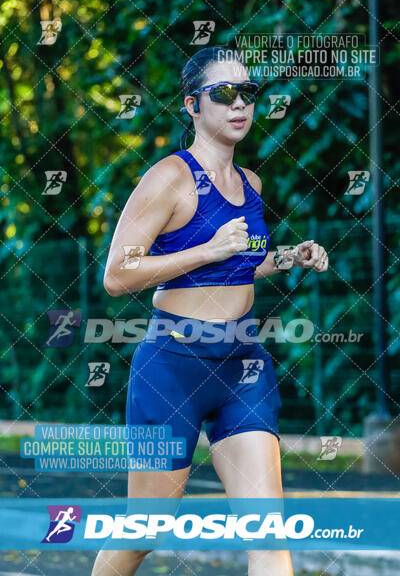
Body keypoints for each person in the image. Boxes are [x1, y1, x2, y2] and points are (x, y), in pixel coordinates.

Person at [93, 46, 328, 576]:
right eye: (222, 93)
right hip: (172, 367)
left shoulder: (252, 185)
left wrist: (289, 257)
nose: (238, 104)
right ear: (192, 106)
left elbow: (238, 265)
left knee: (267, 534)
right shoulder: (169, 178)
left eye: (246, 92)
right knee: (145, 530)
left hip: (242, 365)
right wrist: (209, 249)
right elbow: (116, 276)